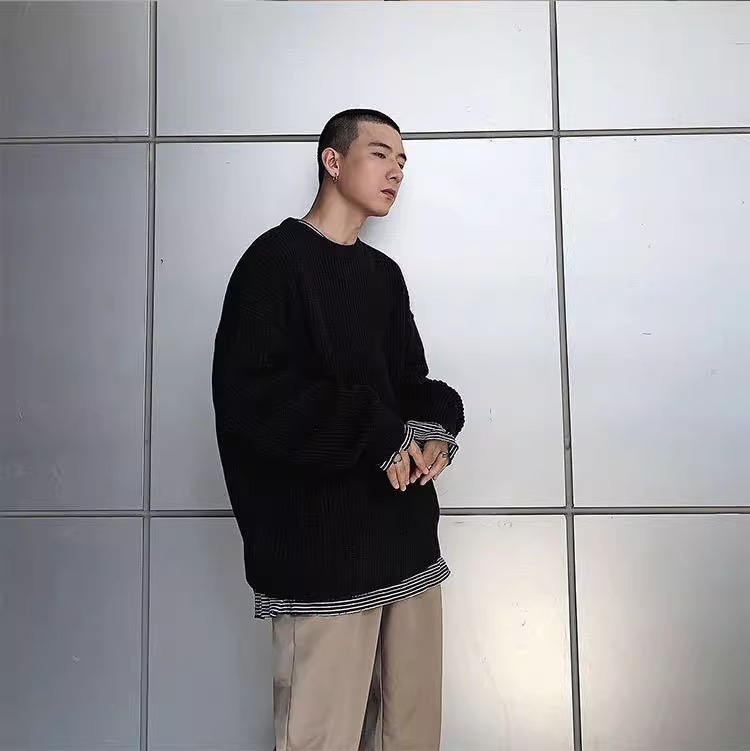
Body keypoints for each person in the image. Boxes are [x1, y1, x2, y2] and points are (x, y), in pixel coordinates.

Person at [211, 108, 465, 751]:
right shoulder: (273, 263)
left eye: (402, 161)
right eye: (380, 154)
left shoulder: (383, 277)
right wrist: (376, 430)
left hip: (406, 547)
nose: (396, 171)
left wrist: (437, 427)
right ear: (333, 160)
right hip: (321, 558)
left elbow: (407, 385)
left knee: (410, 737)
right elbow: (253, 402)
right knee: (319, 739)